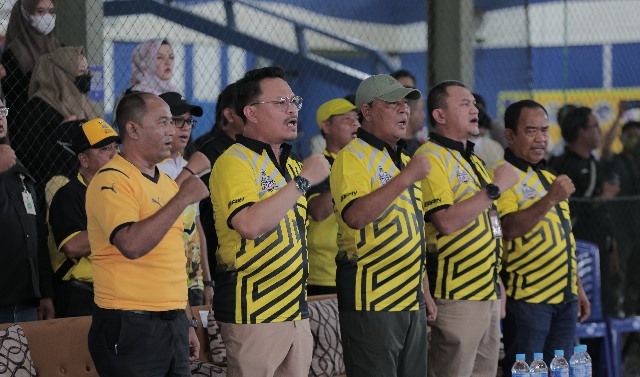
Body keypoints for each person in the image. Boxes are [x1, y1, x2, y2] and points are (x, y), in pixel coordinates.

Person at [209, 66, 330, 377]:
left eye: (294, 102)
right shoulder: (233, 161)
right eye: (280, 103)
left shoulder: (291, 164)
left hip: (294, 310)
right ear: (250, 112)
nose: (292, 109)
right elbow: (248, 225)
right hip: (253, 311)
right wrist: (304, 182)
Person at [86, 92, 207, 376]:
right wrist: (182, 198)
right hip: (130, 322)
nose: (172, 130)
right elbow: (131, 244)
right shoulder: (112, 179)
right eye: (163, 122)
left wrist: (186, 319)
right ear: (133, 129)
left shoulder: (166, 183)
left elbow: (173, 258)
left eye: (173, 123)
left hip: (173, 321)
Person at [330, 74, 435, 377]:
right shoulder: (352, 157)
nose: (404, 110)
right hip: (372, 298)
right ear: (367, 110)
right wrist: (407, 178)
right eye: (393, 104)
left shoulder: (403, 160)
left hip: (410, 296)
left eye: (405, 104)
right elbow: (356, 216)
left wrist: (424, 291)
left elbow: (413, 232)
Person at [416, 80, 518, 377]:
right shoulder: (430, 157)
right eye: (465, 104)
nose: (475, 110)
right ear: (439, 115)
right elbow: (445, 222)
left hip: (485, 290)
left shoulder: (473, 159)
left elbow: (491, 218)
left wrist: (496, 274)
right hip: (454, 295)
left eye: (475, 104)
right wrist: (495, 188)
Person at [497, 100, 591, 375]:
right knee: (528, 371)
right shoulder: (503, 176)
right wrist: (550, 199)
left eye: (545, 130)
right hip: (529, 300)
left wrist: (578, 288)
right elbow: (509, 229)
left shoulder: (551, 177)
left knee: (561, 371)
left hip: (565, 297)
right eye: (530, 131)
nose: (540, 139)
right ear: (510, 135)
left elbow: (564, 238)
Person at [549, 106, 621, 316]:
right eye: (595, 126)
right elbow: (565, 209)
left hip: (602, 242)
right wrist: (603, 197)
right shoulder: (563, 165)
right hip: (578, 245)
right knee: (583, 302)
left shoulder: (594, 162)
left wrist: (612, 246)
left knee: (607, 298)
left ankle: (602, 348)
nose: (600, 131)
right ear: (582, 132)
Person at [47, 118, 119, 318]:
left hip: (117, 291)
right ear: (84, 160)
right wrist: (122, 229)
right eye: (105, 149)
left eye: (116, 147)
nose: (115, 155)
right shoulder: (68, 194)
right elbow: (73, 246)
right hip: (81, 295)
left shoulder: (120, 193)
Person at [19, 46, 99, 210]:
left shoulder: (88, 106)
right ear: (61, 74)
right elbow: (27, 154)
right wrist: (59, 135)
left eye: (85, 72)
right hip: (52, 189)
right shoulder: (38, 107)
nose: (84, 78)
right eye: (79, 73)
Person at [0, 98, 55, 323]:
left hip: (26, 300)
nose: (0, 117)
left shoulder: (17, 168)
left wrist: (44, 293)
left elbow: (36, 232)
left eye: (2, 109)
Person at [157, 91, 213, 306]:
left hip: (193, 277)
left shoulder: (186, 165)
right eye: (178, 120)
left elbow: (198, 227)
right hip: (166, 276)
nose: (186, 127)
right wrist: (189, 172)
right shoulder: (153, 168)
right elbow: (161, 207)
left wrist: (207, 281)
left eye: (189, 121)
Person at [188, 82, 243, 278]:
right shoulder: (207, 150)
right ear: (229, 115)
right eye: (248, 108)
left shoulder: (254, 149)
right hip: (217, 258)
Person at [307, 98, 360, 296]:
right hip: (325, 273)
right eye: (347, 119)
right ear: (326, 126)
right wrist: (350, 179)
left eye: (356, 118)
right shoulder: (318, 165)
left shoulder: (364, 164)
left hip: (362, 269)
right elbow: (318, 211)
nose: (355, 123)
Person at [1, 0, 59, 133]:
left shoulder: (58, 47)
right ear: (25, 14)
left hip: (58, 125)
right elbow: (15, 95)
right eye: (40, 11)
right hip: (28, 130)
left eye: (51, 12)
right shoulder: (13, 53)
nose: (47, 17)